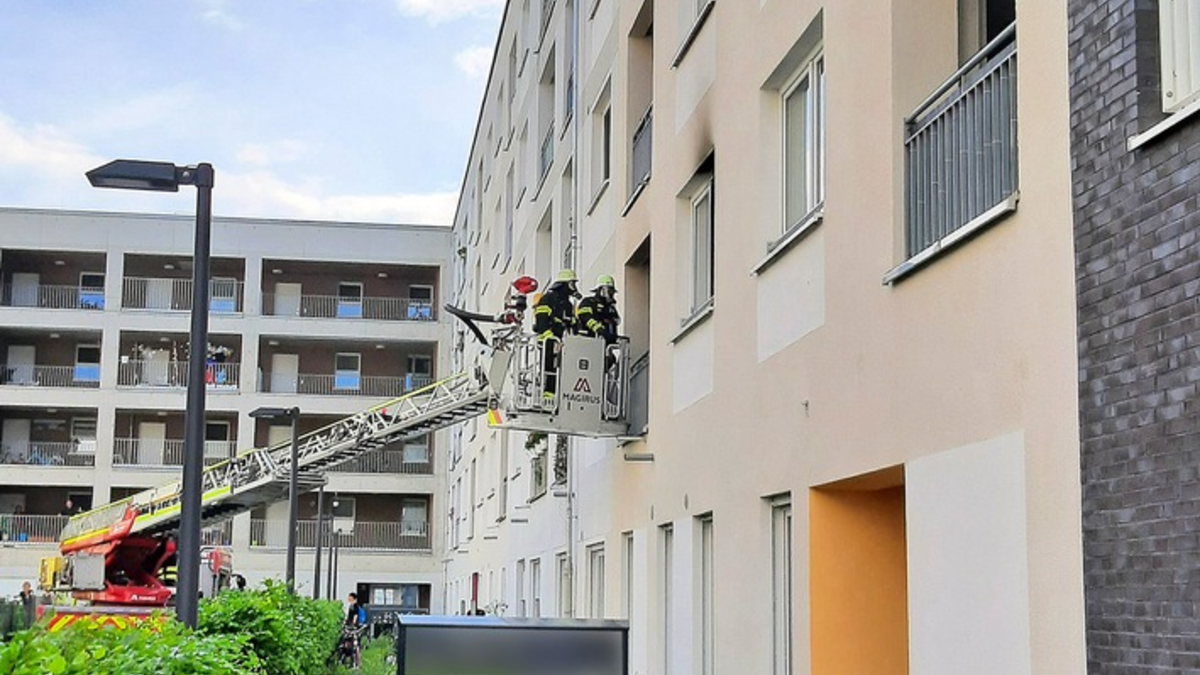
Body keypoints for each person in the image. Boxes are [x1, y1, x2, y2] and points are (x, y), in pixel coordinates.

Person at [532, 270, 581, 401]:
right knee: (550, 368)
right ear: (564, 284)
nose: (573, 287)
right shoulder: (548, 299)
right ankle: (548, 396)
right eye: (572, 284)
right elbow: (541, 320)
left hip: (561, 341)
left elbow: (572, 323)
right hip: (549, 341)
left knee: (563, 369)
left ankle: (560, 394)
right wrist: (551, 338)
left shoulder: (568, 304)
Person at [575, 275, 621, 344]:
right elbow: (584, 316)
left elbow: (616, 321)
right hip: (589, 341)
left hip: (606, 345)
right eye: (609, 291)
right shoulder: (589, 302)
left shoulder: (610, 308)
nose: (611, 294)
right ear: (601, 290)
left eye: (612, 291)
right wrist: (599, 329)